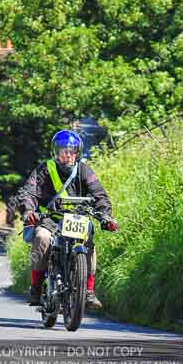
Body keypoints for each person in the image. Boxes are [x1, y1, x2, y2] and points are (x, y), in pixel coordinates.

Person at [18, 129, 119, 310]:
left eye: (71, 150)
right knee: (42, 238)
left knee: (89, 242)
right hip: (50, 220)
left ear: (77, 152)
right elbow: (28, 192)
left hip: (76, 219)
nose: (67, 154)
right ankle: (36, 287)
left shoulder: (84, 170)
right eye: (63, 150)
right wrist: (29, 211)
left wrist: (105, 215)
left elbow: (100, 195)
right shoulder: (44, 169)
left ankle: (88, 291)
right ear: (55, 152)